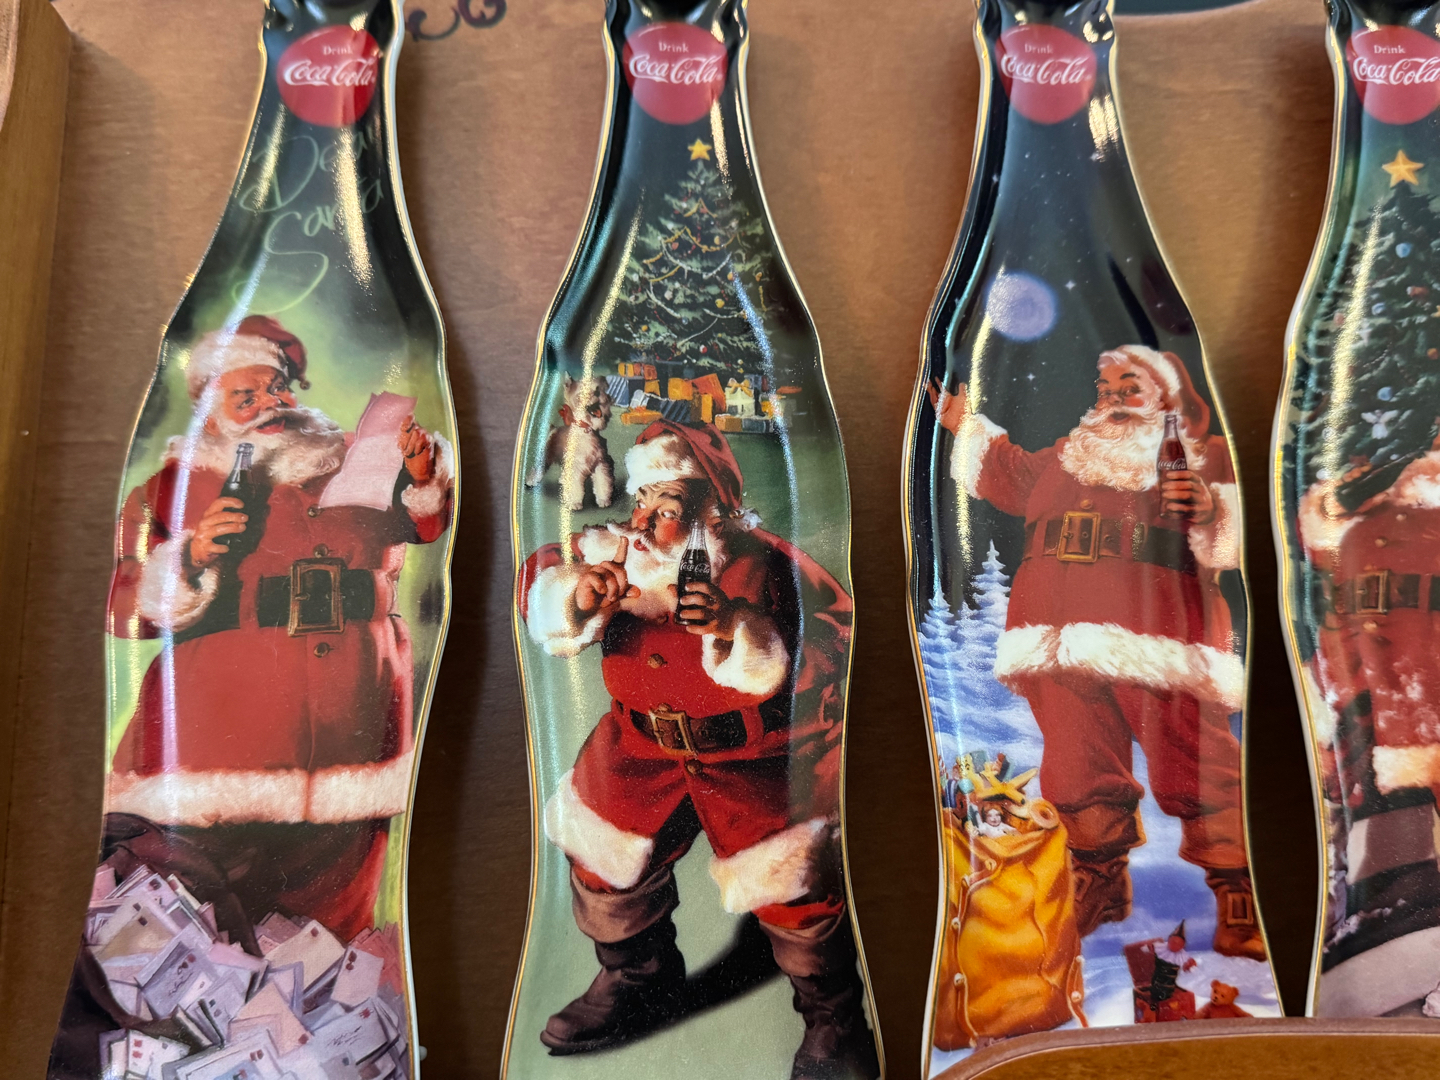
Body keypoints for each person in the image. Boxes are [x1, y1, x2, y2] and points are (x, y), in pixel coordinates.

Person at [518, 420, 878, 1079]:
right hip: (637, 747)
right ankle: (637, 977)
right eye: (642, 500)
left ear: (714, 508)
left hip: (753, 758)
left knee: (793, 889)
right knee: (602, 860)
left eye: (668, 504)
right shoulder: (614, 551)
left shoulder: (763, 562)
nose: (646, 518)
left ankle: (832, 1016)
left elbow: (834, 639)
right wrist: (578, 595)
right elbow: (535, 574)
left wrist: (737, 626)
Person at [105, 315, 453, 939]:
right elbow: (122, 606)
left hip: (353, 732)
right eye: (248, 394)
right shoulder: (170, 489)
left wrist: (425, 477)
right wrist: (191, 556)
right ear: (210, 411)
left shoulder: (355, 462)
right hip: (220, 748)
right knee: (190, 929)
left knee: (333, 933)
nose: (272, 403)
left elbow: (424, 523)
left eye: (278, 387)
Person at [932, 344, 1263, 960]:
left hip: (1157, 636)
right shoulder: (1067, 455)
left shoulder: (1202, 454)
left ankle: (1239, 888)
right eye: (1105, 387)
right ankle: (1099, 880)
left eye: (1129, 386)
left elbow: (1237, 539)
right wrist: (963, 423)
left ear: (1166, 395)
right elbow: (1006, 472)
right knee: (1077, 764)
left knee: (1194, 759)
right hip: (1054, 634)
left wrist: (1212, 510)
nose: (1112, 398)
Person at [1298, 434, 1440, 996]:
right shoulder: (1369, 515)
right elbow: (1336, 596)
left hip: (1418, 693)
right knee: (1366, 815)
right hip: (1374, 696)